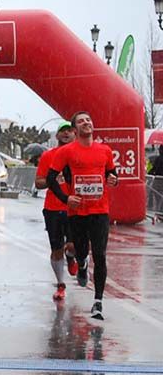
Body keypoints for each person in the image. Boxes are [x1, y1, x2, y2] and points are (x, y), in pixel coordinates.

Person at [46, 111, 117, 319]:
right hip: (77, 211)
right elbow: (51, 178)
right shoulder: (66, 151)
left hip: (100, 210)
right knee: (80, 249)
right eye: (81, 121)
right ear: (75, 129)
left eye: (88, 120)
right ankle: (82, 263)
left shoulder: (104, 150)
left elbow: (111, 173)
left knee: (100, 255)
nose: (86, 122)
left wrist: (114, 179)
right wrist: (66, 198)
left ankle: (98, 302)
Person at [35, 122, 78, 302]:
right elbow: (38, 182)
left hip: (75, 207)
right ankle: (60, 285)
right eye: (62, 131)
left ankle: (71, 257)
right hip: (53, 208)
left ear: (75, 134)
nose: (66, 134)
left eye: (69, 131)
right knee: (56, 248)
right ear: (57, 136)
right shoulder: (48, 156)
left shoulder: (79, 155)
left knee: (74, 245)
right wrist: (52, 180)